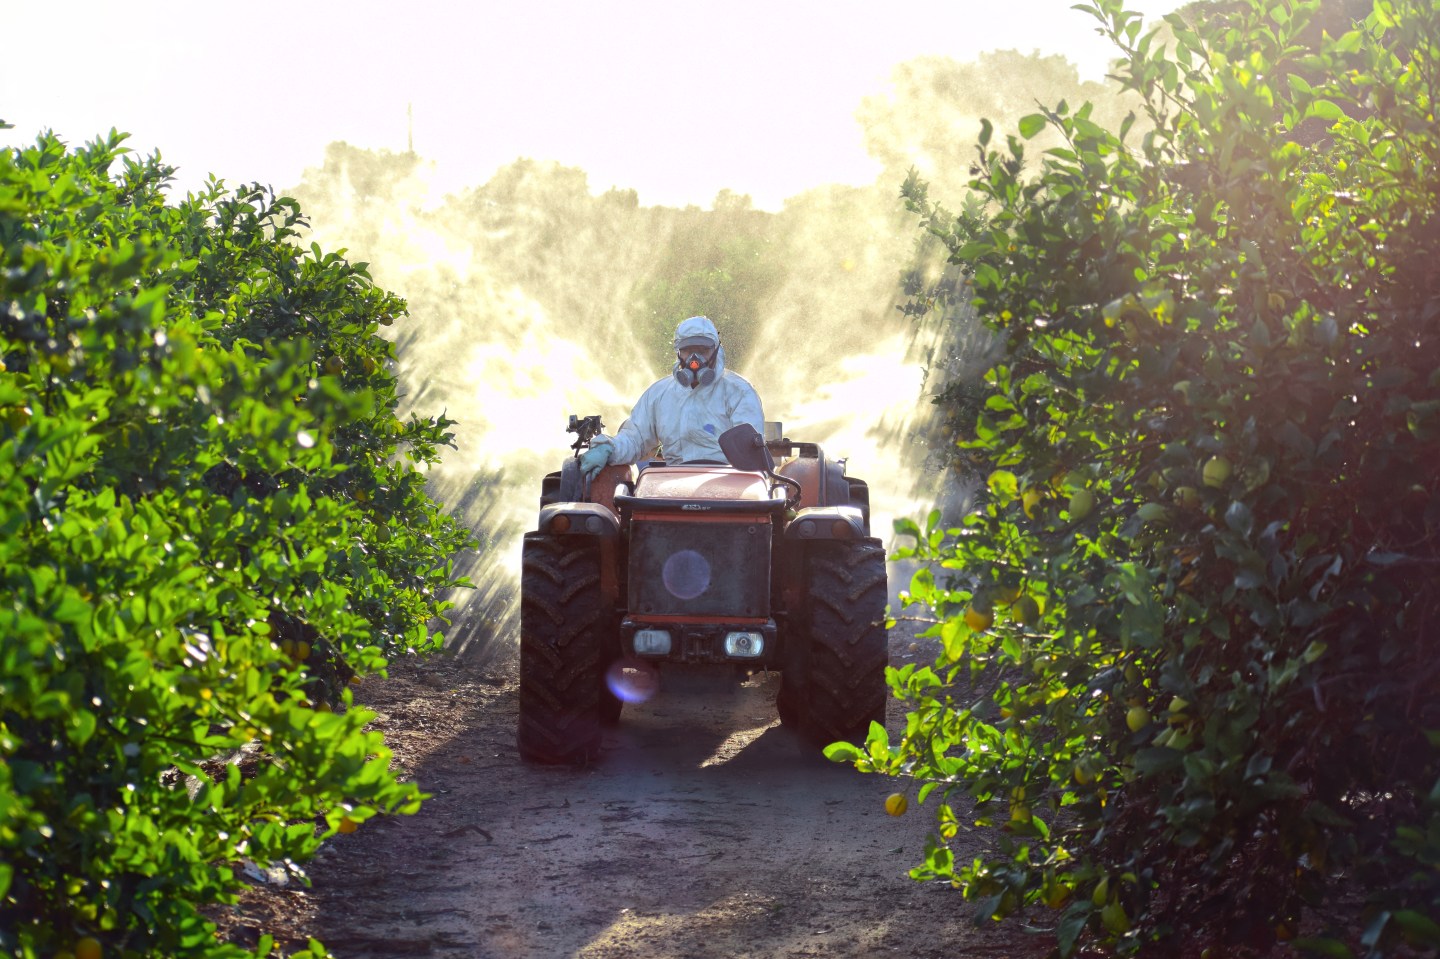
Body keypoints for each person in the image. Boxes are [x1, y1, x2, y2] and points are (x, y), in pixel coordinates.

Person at [580, 315, 764, 479]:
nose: (695, 359)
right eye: (688, 350)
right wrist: (609, 448)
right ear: (678, 352)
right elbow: (635, 438)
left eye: (703, 350)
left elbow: (749, 455)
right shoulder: (659, 394)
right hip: (672, 484)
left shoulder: (739, 392)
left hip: (730, 484)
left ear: (716, 350)